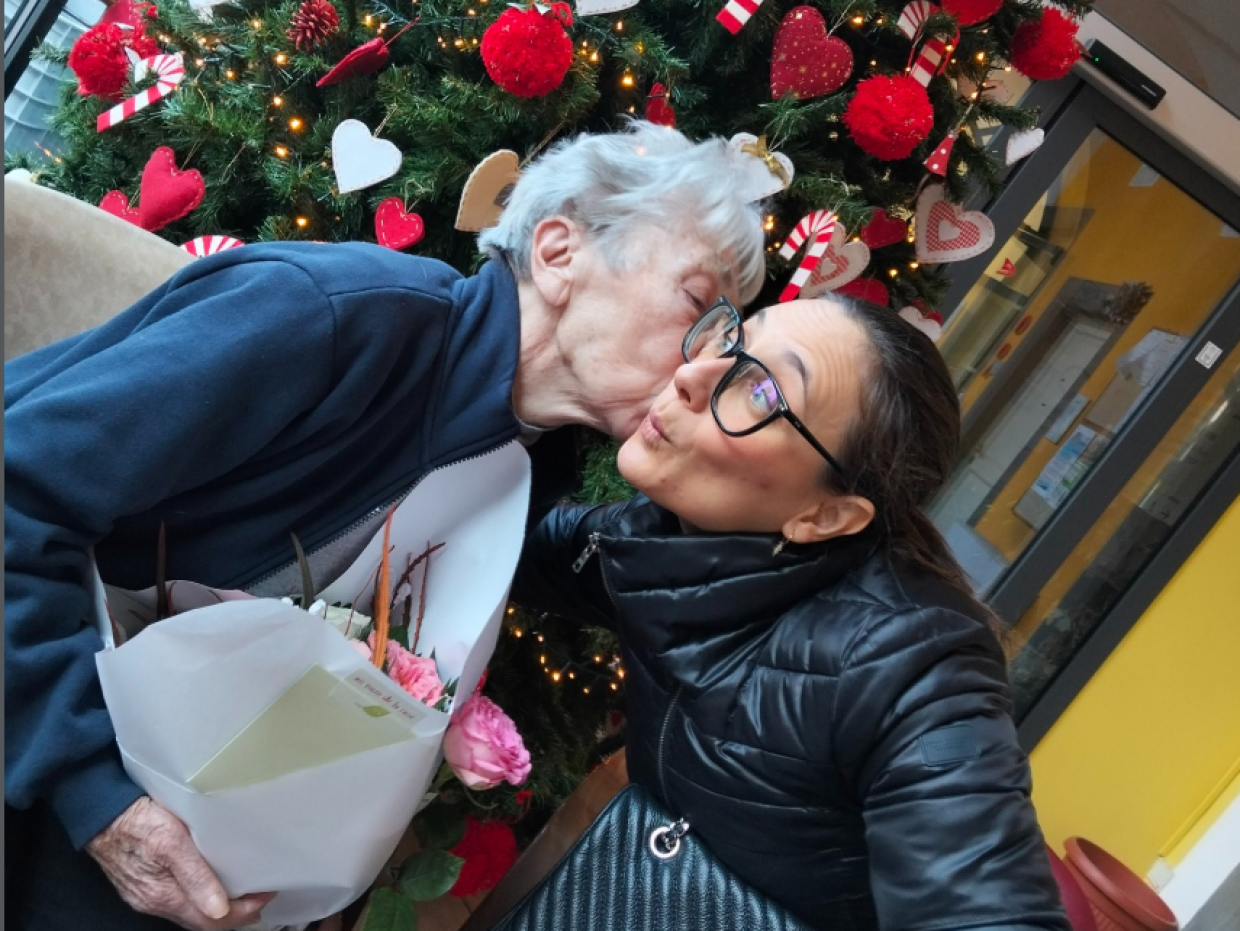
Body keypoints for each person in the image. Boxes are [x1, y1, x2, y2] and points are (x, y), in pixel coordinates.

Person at [3, 121, 766, 931]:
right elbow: (16, 491)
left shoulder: (525, 466)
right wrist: (97, 795)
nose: (706, 363)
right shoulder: (335, 315)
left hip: (145, 756)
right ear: (557, 253)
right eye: (696, 303)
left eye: (727, 335)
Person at [514, 295, 1072, 930]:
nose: (691, 374)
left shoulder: (914, 664)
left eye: (761, 394)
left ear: (825, 515)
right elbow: (500, 543)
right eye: (730, 343)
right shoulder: (660, 539)